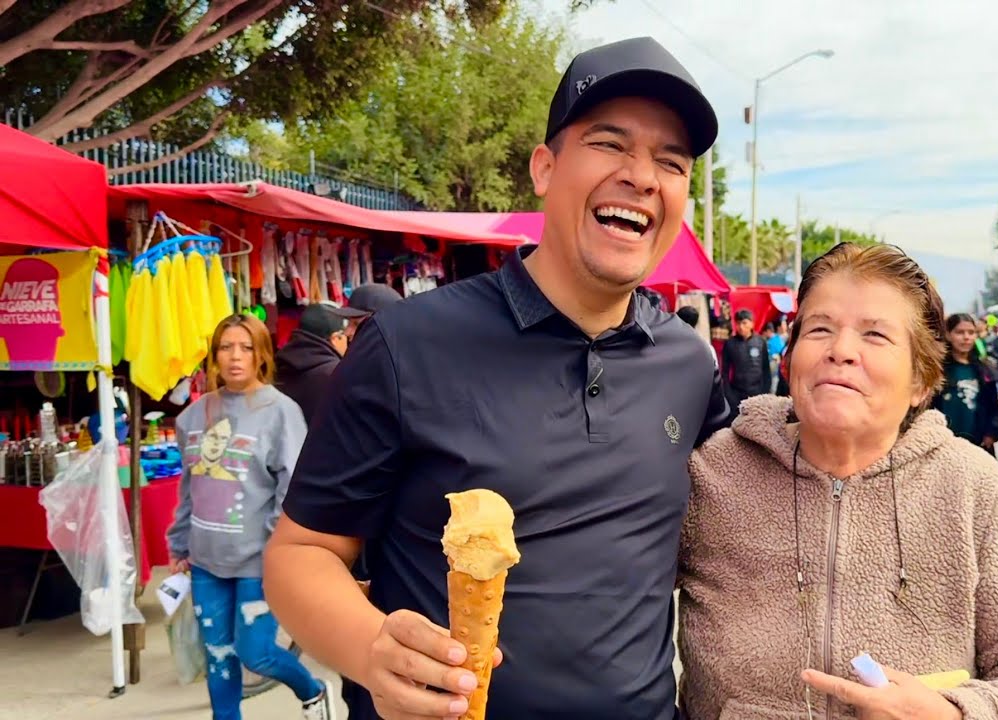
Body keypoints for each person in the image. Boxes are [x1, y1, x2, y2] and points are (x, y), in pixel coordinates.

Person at [263, 36, 729, 720]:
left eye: (671, 161)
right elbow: (299, 555)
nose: (642, 176)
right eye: (609, 144)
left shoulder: (689, 365)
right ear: (545, 167)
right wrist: (371, 651)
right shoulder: (405, 345)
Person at [678, 243, 998, 720]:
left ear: (921, 381)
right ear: (789, 359)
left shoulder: (973, 488)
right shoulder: (713, 473)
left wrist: (952, 714)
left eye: (875, 335)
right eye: (819, 329)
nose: (840, 351)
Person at [166, 313, 333, 720]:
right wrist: (179, 543)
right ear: (214, 356)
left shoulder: (280, 412)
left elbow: (293, 487)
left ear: (262, 354)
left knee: (255, 653)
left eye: (246, 347)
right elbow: (189, 486)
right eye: (226, 347)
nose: (235, 357)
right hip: (206, 561)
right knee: (218, 657)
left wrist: (280, 546)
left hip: (259, 561)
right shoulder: (194, 416)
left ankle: (312, 690)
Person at [932, 313, 998, 454]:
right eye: (960, 332)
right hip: (945, 446)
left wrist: (991, 433)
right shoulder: (938, 370)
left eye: (971, 332)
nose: (966, 337)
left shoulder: (983, 369)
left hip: (978, 446)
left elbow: (994, 407)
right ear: (948, 335)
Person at [275, 304, 353, 425]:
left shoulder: (279, 364)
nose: (347, 341)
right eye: (344, 335)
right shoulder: (337, 374)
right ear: (335, 338)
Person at [721, 308, 772, 418]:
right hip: (736, 394)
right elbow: (724, 372)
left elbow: (766, 370)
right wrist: (729, 395)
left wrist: (764, 392)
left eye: (744, 323)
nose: (741, 327)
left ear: (752, 324)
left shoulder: (760, 342)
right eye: (738, 323)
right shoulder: (730, 344)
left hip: (757, 394)